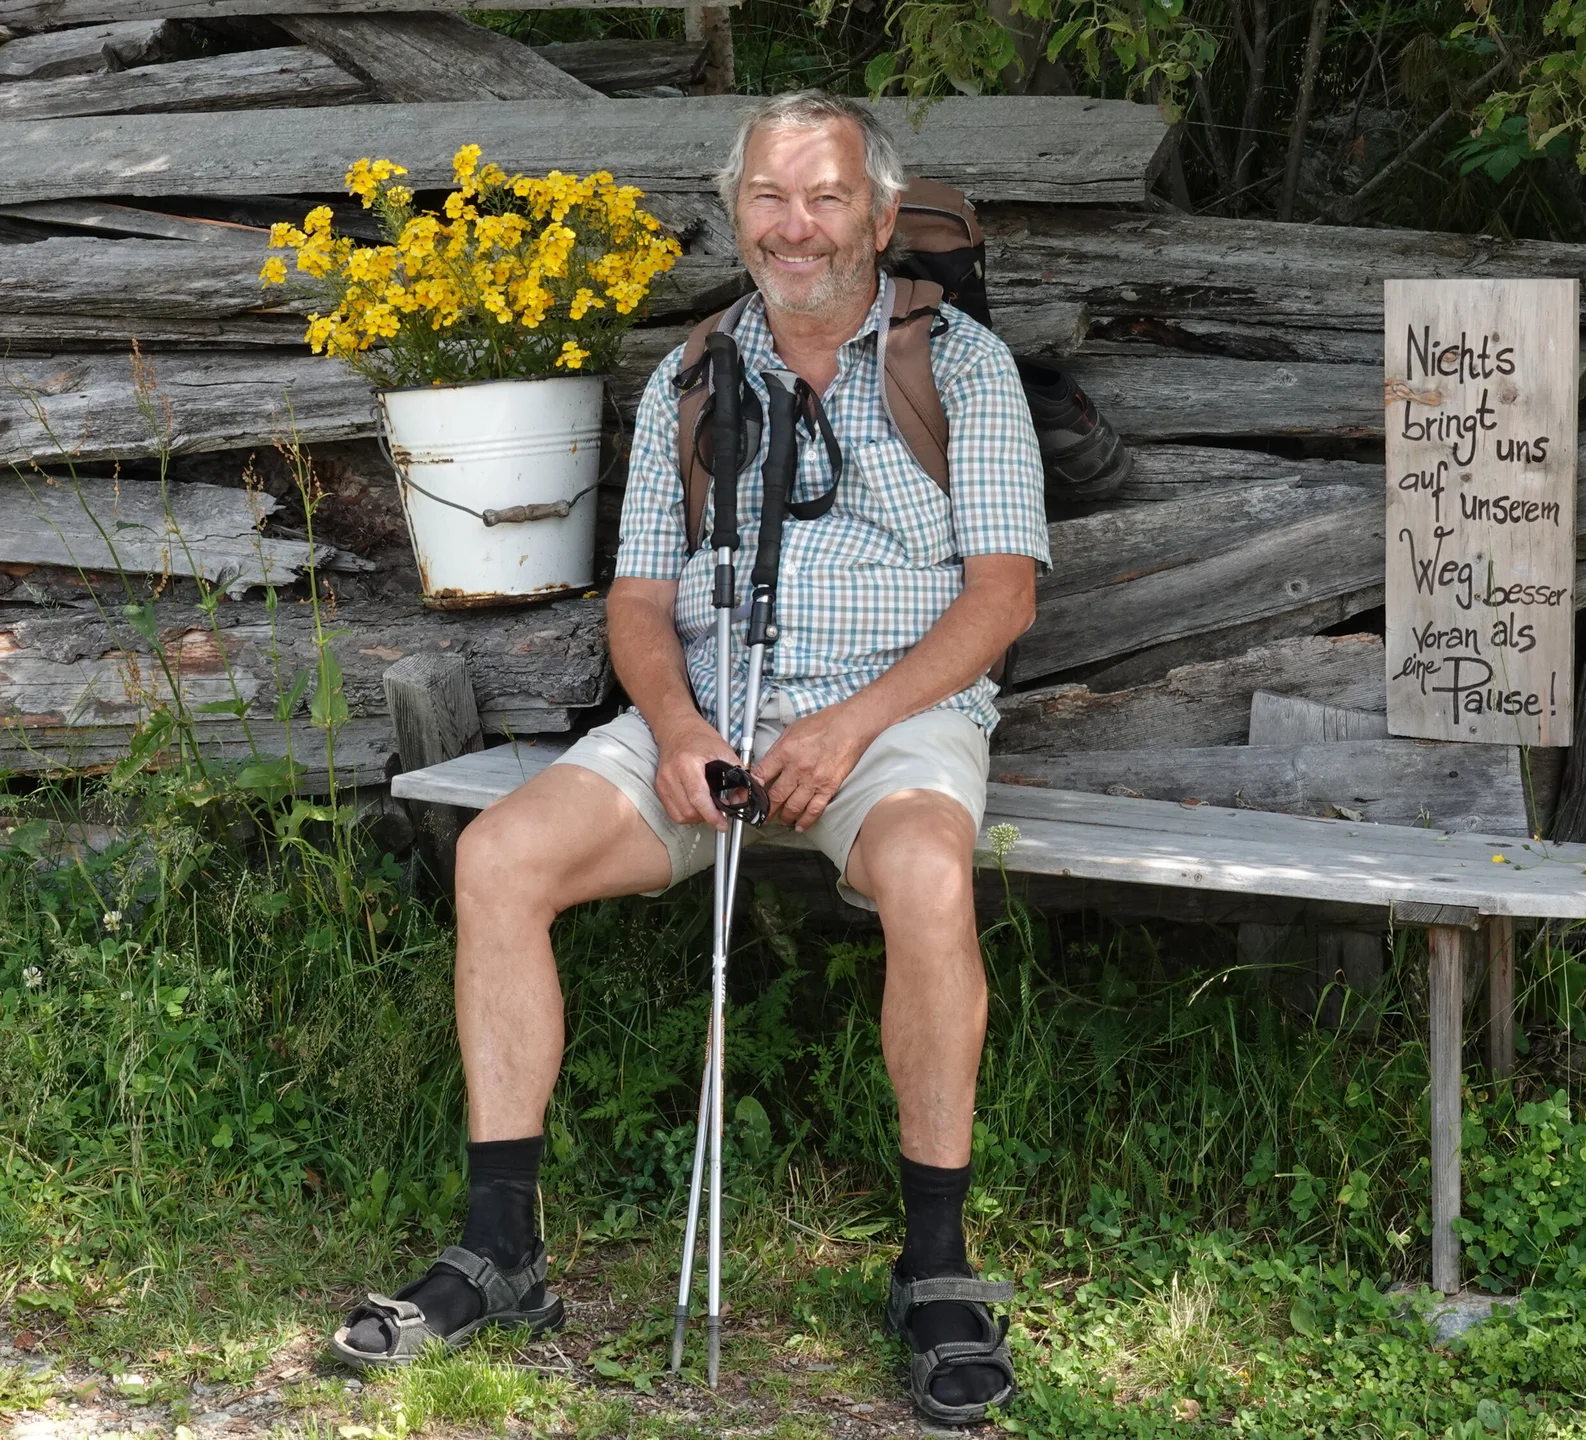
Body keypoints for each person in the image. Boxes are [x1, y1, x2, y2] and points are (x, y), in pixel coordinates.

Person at [331, 90, 1050, 1426]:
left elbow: (1003, 594)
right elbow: (640, 600)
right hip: (710, 722)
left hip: (890, 722)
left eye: (827, 197)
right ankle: (501, 1252)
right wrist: (674, 730)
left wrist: (849, 727)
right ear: (737, 212)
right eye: (770, 197)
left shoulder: (958, 366)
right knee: (499, 859)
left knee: (928, 880)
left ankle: (937, 1269)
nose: (796, 224)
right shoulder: (694, 374)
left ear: (880, 216)